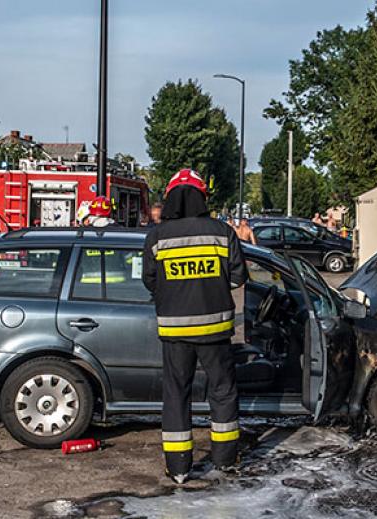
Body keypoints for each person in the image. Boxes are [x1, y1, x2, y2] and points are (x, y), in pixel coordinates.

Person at [142, 168, 246, 483]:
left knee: (176, 394)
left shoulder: (157, 235)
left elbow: (149, 280)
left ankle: (178, 467)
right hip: (215, 330)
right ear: (201, 197)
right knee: (223, 391)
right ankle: (225, 460)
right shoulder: (221, 231)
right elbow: (239, 276)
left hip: (175, 332)